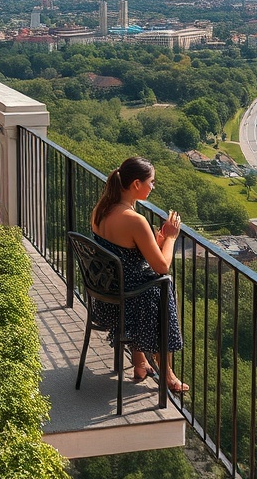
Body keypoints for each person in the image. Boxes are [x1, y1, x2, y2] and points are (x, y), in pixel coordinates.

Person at [89, 156, 188, 393]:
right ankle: (167, 373)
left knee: (150, 283)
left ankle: (140, 362)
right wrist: (172, 238)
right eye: (151, 182)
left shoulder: (101, 209)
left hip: (104, 295)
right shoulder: (135, 220)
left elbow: (126, 252)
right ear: (136, 185)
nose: (153, 187)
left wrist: (158, 239)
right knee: (163, 285)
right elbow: (162, 266)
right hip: (128, 299)